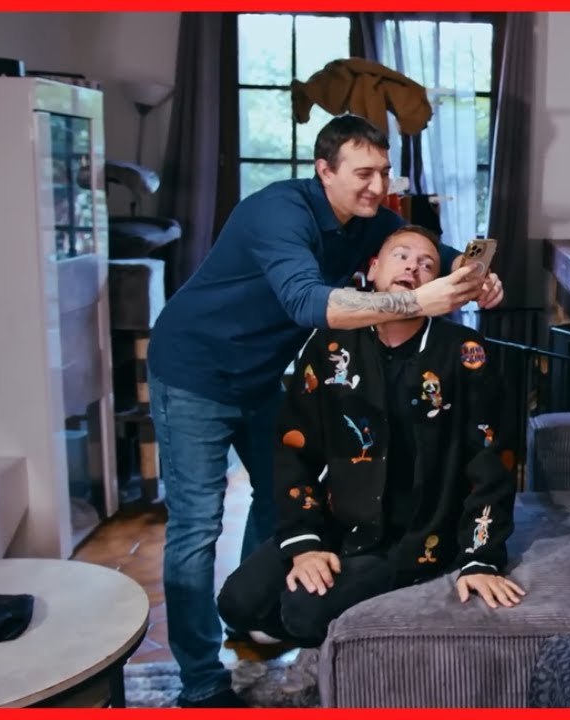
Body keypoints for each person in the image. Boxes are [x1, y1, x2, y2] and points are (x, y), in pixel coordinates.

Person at [146, 114, 505, 707]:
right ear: (324, 171)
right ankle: (200, 682)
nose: (378, 186)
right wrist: (417, 301)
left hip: (262, 376)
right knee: (196, 526)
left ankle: (256, 619)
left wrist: (480, 280)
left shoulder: (370, 220)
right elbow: (307, 302)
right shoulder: (277, 213)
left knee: (274, 497)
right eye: (364, 173)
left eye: (384, 172)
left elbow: (433, 256)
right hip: (194, 372)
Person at [216, 225, 523, 650]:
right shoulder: (331, 344)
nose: (413, 267)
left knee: (303, 611)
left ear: (437, 287)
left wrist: (480, 558)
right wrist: (306, 544)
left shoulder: (464, 352)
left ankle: (395, 590)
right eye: (401, 256)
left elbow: (491, 460)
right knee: (236, 602)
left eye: (427, 264)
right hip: (342, 518)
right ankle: (326, 604)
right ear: (373, 269)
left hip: (418, 533)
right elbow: (293, 449)